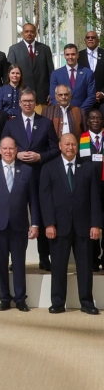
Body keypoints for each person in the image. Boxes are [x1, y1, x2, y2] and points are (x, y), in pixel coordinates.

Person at [39, 133, 102, 314]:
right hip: (58, 227)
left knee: (85, 267)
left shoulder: (89, 167)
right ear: (60, 146)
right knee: (58, 267)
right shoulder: (48, 168)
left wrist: (96, 224)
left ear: (77, 146)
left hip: (84, 227)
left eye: (73, 144)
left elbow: (95, 198)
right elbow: (45, 199)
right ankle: (58, 302)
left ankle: (87, 303)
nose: (70, 147)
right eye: (66, 144)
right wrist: (49, 224)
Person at [0, 136, 41, 311]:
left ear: (16, 150)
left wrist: (35, 224)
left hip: (19, 225)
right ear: (0, 150)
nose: (8, 151)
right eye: (5, 148)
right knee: (0, 264)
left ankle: (20, 299)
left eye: (11, 148)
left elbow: (33, 200)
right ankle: (4, 298)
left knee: (19, 263)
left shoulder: (26, 171)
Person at [1, 88, 59, 271]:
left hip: (40, 176)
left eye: (31, 101)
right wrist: (16, 155)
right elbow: (3, 147)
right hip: (17, 176)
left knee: (41, 216)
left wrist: (40, 156)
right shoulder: (11, 124)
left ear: (35, 103)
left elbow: (55, 150)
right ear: (19, 103)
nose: (27, 104)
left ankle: (44, 258)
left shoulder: (45, 123)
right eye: (24, 101)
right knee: (16, 217)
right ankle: (15, 259)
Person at [78, 109, 104, 271]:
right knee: (92, 222)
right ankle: (93, 258)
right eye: (92, 118)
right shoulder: (81, 139)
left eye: (99, 118)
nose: (95, 120)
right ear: (87, 121)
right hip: (89, 186)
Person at [7, 22, 55, 108]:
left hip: (42, 96)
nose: (29, 34)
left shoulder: (45, 49)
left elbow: (51, 72)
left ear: (35, 34)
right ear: (22, 33)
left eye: (32, 32)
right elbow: (10, 73)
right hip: (21, 95)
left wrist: (52, 92)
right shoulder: (14, 49)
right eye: (27, 31)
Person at [49, 44, 95, 113]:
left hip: (82, 113)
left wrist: (80, 111)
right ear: (64, 56)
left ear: (77, 55)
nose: (70, 57)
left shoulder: (88, 73)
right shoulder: (56, 74)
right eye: (67, 54)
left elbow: (91, 96)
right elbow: (53, 96)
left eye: (73, 54)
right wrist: (62, 111)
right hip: (61, 114)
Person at [79, 30, 104, 110]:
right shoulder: (78, 56)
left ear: (98, 40)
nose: (90, 39)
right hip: (83, 99)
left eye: (93, 37)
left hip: (102, 100)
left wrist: (102, 93)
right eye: (88, 37)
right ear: (85, 40)